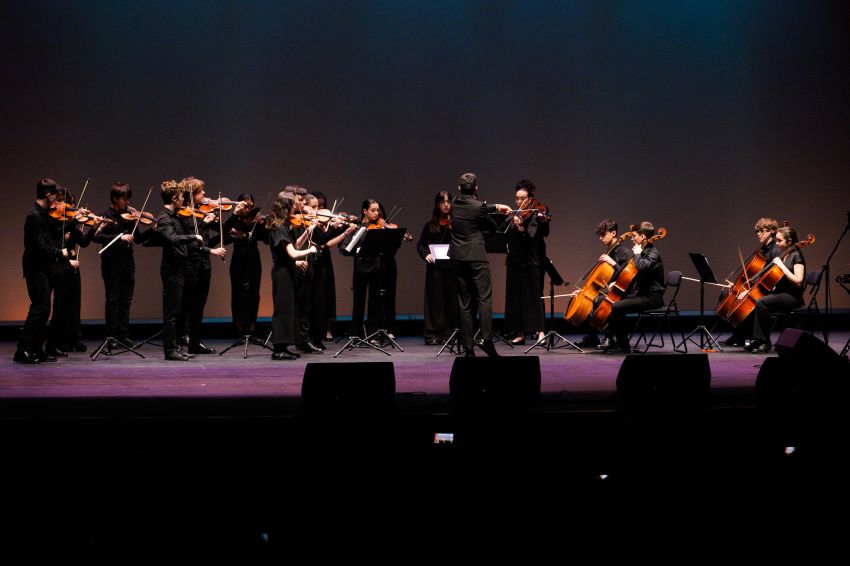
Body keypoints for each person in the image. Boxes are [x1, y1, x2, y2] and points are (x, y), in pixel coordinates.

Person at [448, 173, 512, 357]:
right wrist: (496, 207)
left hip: (458, 257)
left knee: (465, 303)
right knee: (484, 299)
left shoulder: (453, 205)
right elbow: (491, 225)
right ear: (476, 188)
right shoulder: (479, 206)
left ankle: (468, 347)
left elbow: (477, 210)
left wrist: (491, 209)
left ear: (459, 189)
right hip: (476, 255)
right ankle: (486, 339)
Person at [94, 182, 156, 349]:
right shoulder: (104, 216)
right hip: (111, 264)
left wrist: (154, 229)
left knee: (126, 300)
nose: (127, 203)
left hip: (128, 263)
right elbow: (96, 237)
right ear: (115, 198)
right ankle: (111, 336)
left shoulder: (130, 217)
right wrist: (119, 237)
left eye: (128, 199)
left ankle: (124, 335)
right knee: (113, 299)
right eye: (124, 199)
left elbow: (140, 239)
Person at [15, 179, 68, 363]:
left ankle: (37, 349)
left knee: (45, 309)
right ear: (48, 195)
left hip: (43, 266)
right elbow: (38, 247)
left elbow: (53, 232)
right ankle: (22, 350)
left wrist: (72, 221)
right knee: (39, 308)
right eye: (55, 195)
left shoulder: (43, 214)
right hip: (35, 267)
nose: (57, 199)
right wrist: (59, 252)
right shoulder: (34, 216)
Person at [45, 189, 103, 356]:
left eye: (71, 204)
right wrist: (67, 259)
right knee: (58, 306)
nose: (71, 208)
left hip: (72, 267)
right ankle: (57, 342)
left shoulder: (69, 222)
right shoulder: (54, 223)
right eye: (67, 203)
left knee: (72, 304)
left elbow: (83, 242)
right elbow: (53, 244)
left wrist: (94, 227)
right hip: (60, 265)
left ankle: (72, 339)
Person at [265, 189, 318, 360]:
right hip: (282, 272)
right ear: (286, 207)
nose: (296, 210)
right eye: (294, 207)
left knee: (288, 310)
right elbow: (293, 254)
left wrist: (308, 232)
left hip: (287, 271)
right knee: (282, 311)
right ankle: (278, 349)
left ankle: (284, 347)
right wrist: (310, 249)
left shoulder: (283, 225)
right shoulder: (279, 226)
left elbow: (294, 244)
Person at [155, 180, 205, 361]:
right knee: (171, 313)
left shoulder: (176, 216)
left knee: (178, 311)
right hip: (172, 270)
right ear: (174, 198)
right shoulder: (164, 218)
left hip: (181, 268)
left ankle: (175, 347)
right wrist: (193, 237)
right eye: (182, 197)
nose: (184, 200)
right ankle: (170, 351)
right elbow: (172, 238)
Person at [177, 177, 226, 354]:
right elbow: (190, 243)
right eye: (200, 191)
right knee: (187, 304)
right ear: (190, 194)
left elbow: (222, 230)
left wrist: (214, 217)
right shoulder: (182, 215)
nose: (205, 194)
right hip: (191, 264)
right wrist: (210, 250)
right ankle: (180, 340)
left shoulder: (201, 212)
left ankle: (195, 343)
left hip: (204, 265)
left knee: (199, 305)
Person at [600, 221, 666, 354]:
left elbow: (642, 266)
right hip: (641, 295)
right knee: (611, 303)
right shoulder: (642, 252)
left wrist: (636, 254)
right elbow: (633, 274)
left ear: (642, 237)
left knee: (616, 307)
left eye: (634, 235)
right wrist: (617, 283)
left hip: (652, 298)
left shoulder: (653, 253)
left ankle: (623, 346)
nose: (631, 238)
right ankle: (617, 341)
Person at [741, 225, 806, 353]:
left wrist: (781, 266)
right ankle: (757, 339)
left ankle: (765, 342)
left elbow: (798, 281)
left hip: (793, 297)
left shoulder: (796, 256)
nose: (776, 243)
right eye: (776, 240)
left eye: (779, 240)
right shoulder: (784, 255)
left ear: (790, 241)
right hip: (782, 294)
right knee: (755, 299)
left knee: (762, 302)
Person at [212, 192, 267, 339]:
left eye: (251, 205)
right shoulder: (235, 220)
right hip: (238, 259)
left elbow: (266, 240)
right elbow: (225, 236)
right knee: (237, 293)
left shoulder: (256, 220)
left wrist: (262, 225)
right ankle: (237, 326)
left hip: (254, 259)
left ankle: (252, 326)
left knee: (254, 293)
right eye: (245, 204)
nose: (248, 207)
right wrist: (235, 223)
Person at [573, 219, 634, 349]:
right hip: (610, 290)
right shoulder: (610, 251)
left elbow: (629, 275)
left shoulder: (625, 252)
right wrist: (585, 290)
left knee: (598, 301)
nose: (600, 238)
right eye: (599, 236)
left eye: (603, 235)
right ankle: (592, 337)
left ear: (613, 233)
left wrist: (613, 263)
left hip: (622, 292)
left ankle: (609, 337)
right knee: (580, 300)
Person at [722, 217, 781, 347]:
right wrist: (740, 285)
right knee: (728, 294)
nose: (759, 234)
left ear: (772, 232)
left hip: (769, 289)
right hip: (758, 286)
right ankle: (739, 334)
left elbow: (769, 278)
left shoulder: (776, 251)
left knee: (749, 301)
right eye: (757, 232)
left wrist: (749, 291)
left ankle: (752, 337)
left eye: (762, 231)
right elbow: (754, 274)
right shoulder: (761, 250)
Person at [503, 179, 549, 345]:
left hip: (533, 260)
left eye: (523, 199)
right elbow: (505, 233)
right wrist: (512, 221)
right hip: (515, 260)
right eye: (517, 198)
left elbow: (531, 237)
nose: (519, 202)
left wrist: (521, 227)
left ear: (530, 198)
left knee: (535, 296)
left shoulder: (537, 213)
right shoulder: (514, 214)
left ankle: (541, 331)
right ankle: (519, 333)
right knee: (516, 297)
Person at [416, 191, 458, 345]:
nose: (446, 205)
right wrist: (426, 254)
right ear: (437, 204)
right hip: (436, 267)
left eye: (448, 202)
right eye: (442, 202)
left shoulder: (456, 222)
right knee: (435, 301)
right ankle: (433, 334)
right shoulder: (431, 224)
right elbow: (420, 244)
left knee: (452, 301)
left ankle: (451, 333)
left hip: (453, 266)